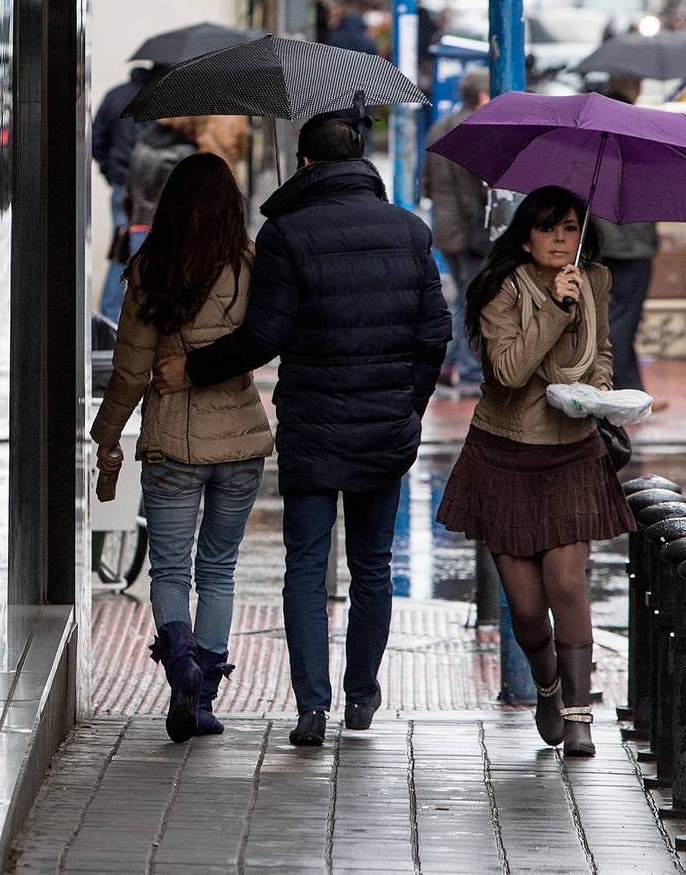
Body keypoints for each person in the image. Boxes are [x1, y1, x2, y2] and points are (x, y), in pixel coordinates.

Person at [154, 110, 450, 748]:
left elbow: (264, 337)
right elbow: (435, 334)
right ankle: (363, 695)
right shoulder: (409, 231)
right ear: (361, 159)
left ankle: (312, 708)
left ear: (307, 163)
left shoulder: (288, 234)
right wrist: (409, 403)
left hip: (313, 425)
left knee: (307, 568)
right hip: (385, 428)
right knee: (373, 567)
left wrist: (192, 367)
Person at [435, 186, 637, 758]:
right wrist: (554, 307)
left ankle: (578, 714)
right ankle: (547, 687)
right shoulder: (502, 287)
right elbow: (507, 370)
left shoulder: (594, 280)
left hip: (572, 450)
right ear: (525, 237)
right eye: (548, 229)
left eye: (570, 229)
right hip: (506, 451)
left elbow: (599, 354)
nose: (560, 239)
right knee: (524, 607)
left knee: (568, 584)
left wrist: (599, 390)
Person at [91, 153, 273, 743]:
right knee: (218, 570)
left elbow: (130, 366)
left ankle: (181, 675)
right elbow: (261, 345)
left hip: (171, 443)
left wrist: (109, 430)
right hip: (241, 443)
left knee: (170, 570)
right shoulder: (251, 266)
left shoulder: (152, 268)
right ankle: (204, 696)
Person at [590, 77, 662, 400]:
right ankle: (623, 386)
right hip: (631, 248)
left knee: (617, 318)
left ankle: (632, 386)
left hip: (608, 247)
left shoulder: (595, 149)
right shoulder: (635, 151)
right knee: (623, 320)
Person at [422, 68, 491, 396]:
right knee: (472, 300)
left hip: (445, 229)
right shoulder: (477, 130)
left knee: (462, 297)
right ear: (481, 97)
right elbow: (478, 190)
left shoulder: (438, 127)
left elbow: (426, 182)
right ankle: (468, 370)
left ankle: (447, 361)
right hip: (470, 229)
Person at [92, 66, 150, 322]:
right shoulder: (157, 98)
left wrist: (110, 171)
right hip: (151, 186)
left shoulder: (116, 95)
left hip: (122, 185)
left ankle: (110, 313)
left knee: (122, 248)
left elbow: (96, 139)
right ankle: (137, 315)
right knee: (144, 250)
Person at [123, 118, 199, 262]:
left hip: (137, 226)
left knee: (138, 280)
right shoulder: (185, 151)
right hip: (168, 232)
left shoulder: (141, 144)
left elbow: (128, 190)